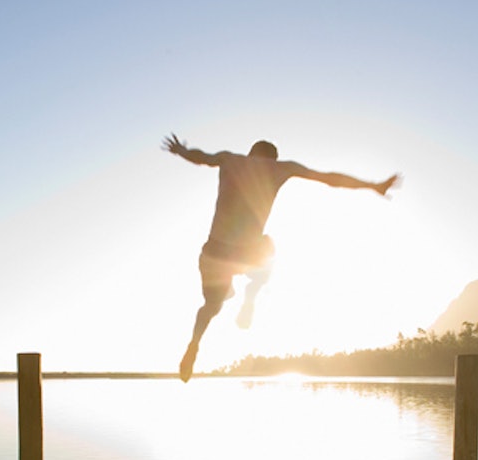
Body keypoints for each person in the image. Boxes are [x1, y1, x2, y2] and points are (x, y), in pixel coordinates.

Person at [163, 134, 399, 382]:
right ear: (273, 159)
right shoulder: (281, 169)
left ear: (251, 152)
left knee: (212, 307)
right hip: (248, 252)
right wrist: (374, 185)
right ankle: (251, 294)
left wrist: (180, 150)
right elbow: (330, 179)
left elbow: (201, 158)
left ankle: (194, 344)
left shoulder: (229, 159)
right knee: (268, 247)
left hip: (215, 252)